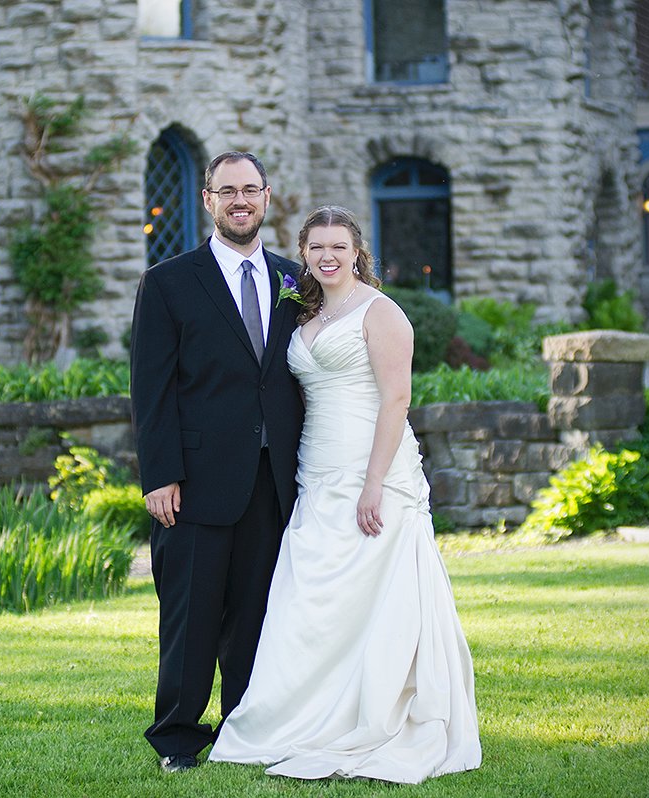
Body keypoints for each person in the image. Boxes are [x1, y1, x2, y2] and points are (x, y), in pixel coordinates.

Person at [209, 206, 482, 782]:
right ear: (303, 254)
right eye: (316, 248)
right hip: (316, 471)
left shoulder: (382, 314)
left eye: (339, 246)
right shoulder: (303, 312)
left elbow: (396, 402)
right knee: (313, 603)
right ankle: (309, 717)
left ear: (358, 252)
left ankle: (379, 716)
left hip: (371, 470)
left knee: (374, 598)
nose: (327, 256)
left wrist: (374, 483)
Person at [129, 151, 305, 774]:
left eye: (250, 190)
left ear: (266, 196)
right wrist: (160, 475)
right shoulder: (170, 281)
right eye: (226, 190)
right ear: (207, 200)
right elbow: (150, 389)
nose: (239, 200)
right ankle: (177, 736)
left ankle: (243, 728)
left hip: (272, 481)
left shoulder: (294, 280)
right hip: (195, 480)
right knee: (191, 612)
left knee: (256, 613)